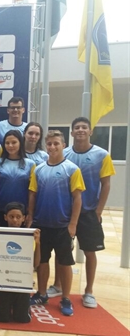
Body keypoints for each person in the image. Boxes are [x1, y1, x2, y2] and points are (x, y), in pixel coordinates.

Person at [46, 117, 115, 309]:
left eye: (84, 127)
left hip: (89, 212)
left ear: (90, 131)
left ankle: (89, 291)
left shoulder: (102, 154)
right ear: (72, 132)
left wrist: (98, 211)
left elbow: (106, 184)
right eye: (77, 127)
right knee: (62, 251)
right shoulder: (64, 153)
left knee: (90, 252)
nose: (81, 130)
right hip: (66, 213)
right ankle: (58, 285)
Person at [27, 130, 85, 316]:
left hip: (62, 226)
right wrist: (30, 217)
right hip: (41, 224)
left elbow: (77, 199)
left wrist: (72, 224)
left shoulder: (72, 169)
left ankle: (65, 298)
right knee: (42, 261)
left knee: (64, 262)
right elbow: (33, 195)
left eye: (56, 144)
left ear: (63, 145)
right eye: (49, 144)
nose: (52, 147)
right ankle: (42, 293)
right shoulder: (39, 169)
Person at [0, 202, 41, 323]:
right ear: (5, 217)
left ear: (24, 218)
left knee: (22, 319)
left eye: (18, 217)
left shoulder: (29, 237)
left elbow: (36, 263)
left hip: (22, 285)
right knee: (2, 318)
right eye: (11, 217)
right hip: (3, 283)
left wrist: (37, 243)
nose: (15, 220)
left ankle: (25, 309)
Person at [0, 130, 36, 226]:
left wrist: (30, 213)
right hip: (1, 211)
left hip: (21, 213)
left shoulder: (30, 164)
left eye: (14, 142)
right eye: (7, 143)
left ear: (20, 143)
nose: (10, 145)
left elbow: (32, 192)